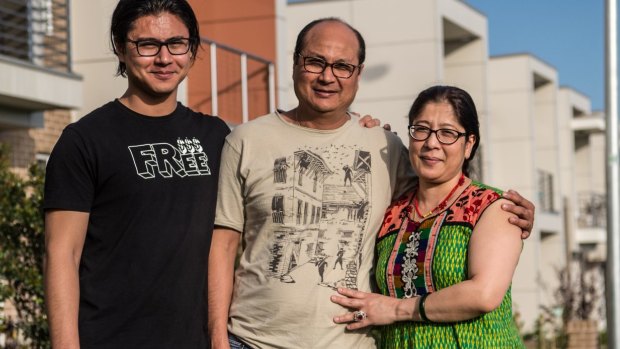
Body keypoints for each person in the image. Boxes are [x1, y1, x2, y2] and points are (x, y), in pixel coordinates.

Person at [208, 18, 535, 349]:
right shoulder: (246, 140)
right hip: (253, 340)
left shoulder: (385, 147)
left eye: (342, 66)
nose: (327, 76)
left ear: (358, 74)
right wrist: (218, 337)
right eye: (315, 61)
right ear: (295, 63)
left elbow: (451, 190)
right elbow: (223, 245)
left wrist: (513, 214)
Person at [43, 1, 231, 347]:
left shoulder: (217, 136)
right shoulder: (85, 140)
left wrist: (357, 127)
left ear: (192, 48)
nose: (164, 58)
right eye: (147, 45)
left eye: (177, 43)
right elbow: (62, 254)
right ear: (119, 46)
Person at [331, 85, 525, 348]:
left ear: (469, 144)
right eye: (421, 129)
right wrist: (366, 136)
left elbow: (484, 294)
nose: (432, 143)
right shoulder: (391, 213)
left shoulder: (493, 208)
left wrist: (397, 309)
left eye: (447, 133)